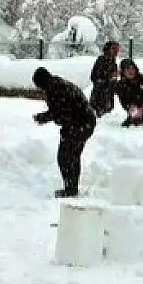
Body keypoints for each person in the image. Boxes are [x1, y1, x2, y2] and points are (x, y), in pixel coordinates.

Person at [32, 66, 97, 198]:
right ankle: (71, 188)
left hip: (79, 123)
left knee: (65, 157)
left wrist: (44, 117)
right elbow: (62, 110)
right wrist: (47, 116)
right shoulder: (58, 84)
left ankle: (70, 189)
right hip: (84, 122)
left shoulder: (55, 89)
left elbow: (61, 112)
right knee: (72, 156)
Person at [114, 58, 143, 128]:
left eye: (132, 68)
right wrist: (130, 107)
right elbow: (124, 101)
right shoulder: (121, 85)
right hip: (134, 111)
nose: (130, 71)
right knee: (125, 127)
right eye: (127, 69)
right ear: (123, 72)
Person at [89, 40, 122, 116]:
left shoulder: (113, 62)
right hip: (99, 95)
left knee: (106, 113)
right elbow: (94, 77)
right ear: (108, 49)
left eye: (117, 49)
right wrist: (110, 76)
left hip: (108, 95)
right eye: (113, 48)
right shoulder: (101, 60)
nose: (116, 51)